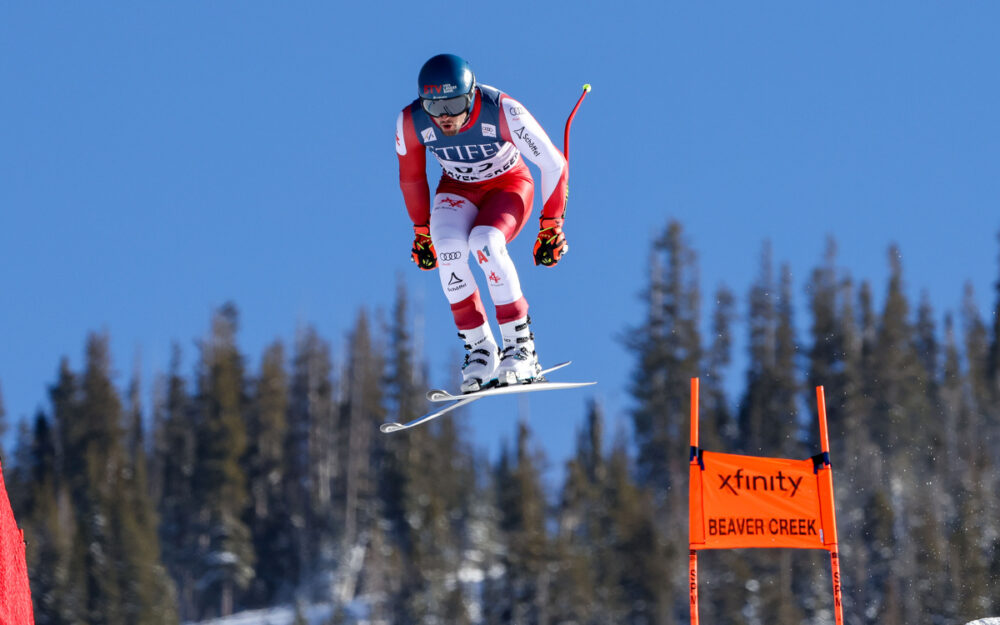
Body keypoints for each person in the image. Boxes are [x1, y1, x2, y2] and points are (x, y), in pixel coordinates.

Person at [396, 53, 569, 393]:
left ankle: (521, 349)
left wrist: (551, 225)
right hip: (458, 188)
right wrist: (420, 231)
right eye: (434, 107)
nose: (445, 117)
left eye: (455, 104)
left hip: (508, 186)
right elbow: (412, 179)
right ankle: (481, 349)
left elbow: (553, 164)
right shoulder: (411, 121)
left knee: (485, 243)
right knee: (445, 247)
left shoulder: (503, 111)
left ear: (472, 94)